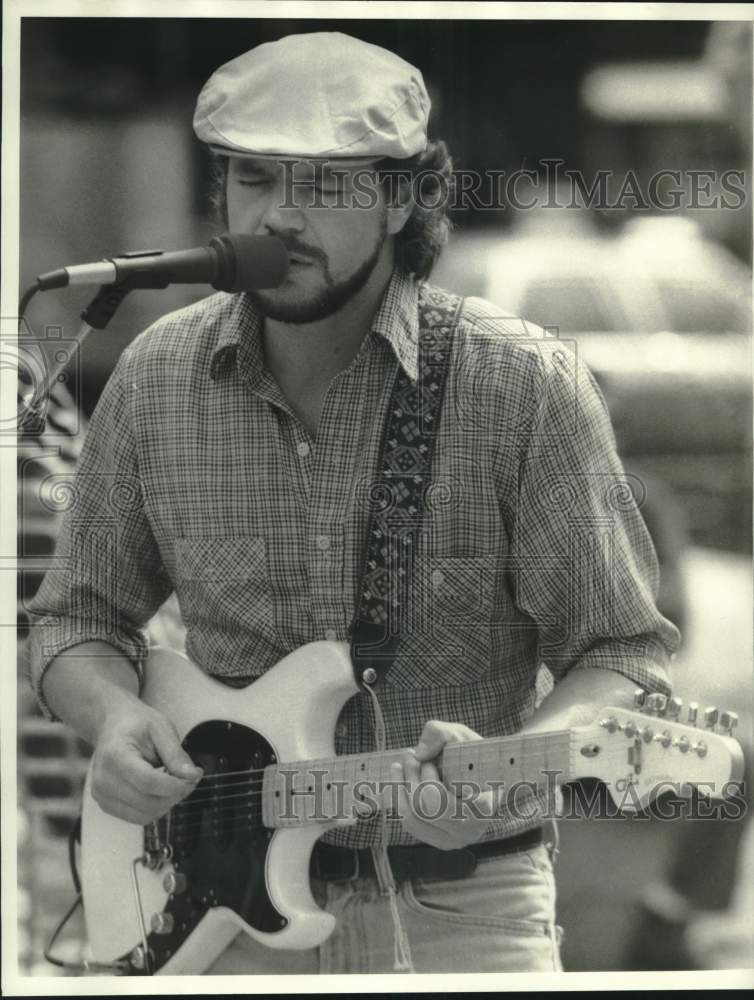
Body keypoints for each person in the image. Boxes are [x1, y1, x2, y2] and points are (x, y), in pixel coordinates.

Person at [28, 32, 679, 975]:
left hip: (463, 911)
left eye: (326, 184)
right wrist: (112, 717)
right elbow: (76, 618)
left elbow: (619, 653)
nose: (280, 215)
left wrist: (510, 772)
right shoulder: (156, 375)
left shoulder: (523, 384)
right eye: (254, 178)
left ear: (404, 196)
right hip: (208, 911)